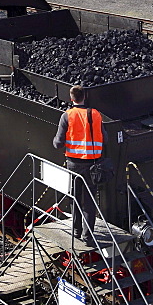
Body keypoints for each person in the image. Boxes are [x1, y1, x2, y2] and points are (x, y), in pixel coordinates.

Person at [51, 85, 104, 246]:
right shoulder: (95, 114)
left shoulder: (67, 116)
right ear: (84, 97)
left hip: (74, 164)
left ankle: (76, 231)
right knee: (89, 200)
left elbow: (58, 143)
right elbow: (105, 138)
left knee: (75, 198)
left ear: (71, 99)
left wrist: (55, 141)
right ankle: (88, 237)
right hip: (92, 164)